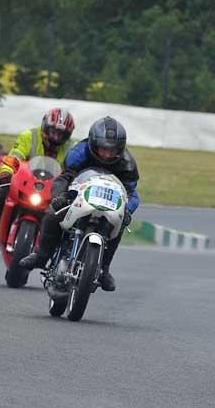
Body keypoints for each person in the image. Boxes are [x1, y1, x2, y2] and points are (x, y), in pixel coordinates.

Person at [19, 116, 140, 292]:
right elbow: (64, 177)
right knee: (53, 212)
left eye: (112, 150)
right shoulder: (79, 152)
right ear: (93, 144)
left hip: (108, 202)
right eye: (103, 149)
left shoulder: (127, 164)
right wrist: (61, 196)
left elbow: (131, 193)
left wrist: (127, 210)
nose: (107, 154)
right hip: (78, 195)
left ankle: (104, 269)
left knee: (119, 225)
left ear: (120, 149)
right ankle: (41, 255)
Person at [0, 109, 75, 246]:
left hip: (53, 190)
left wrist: (72, 184)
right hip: (25, 183)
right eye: (53, 132)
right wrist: (6, 172)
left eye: (60, 134)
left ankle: (58, 246)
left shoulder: (71, 148)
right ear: (45, 126)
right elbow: (14, 156)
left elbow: (73, 169)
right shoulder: (28, 136)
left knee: (66, 212)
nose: (56, 137)